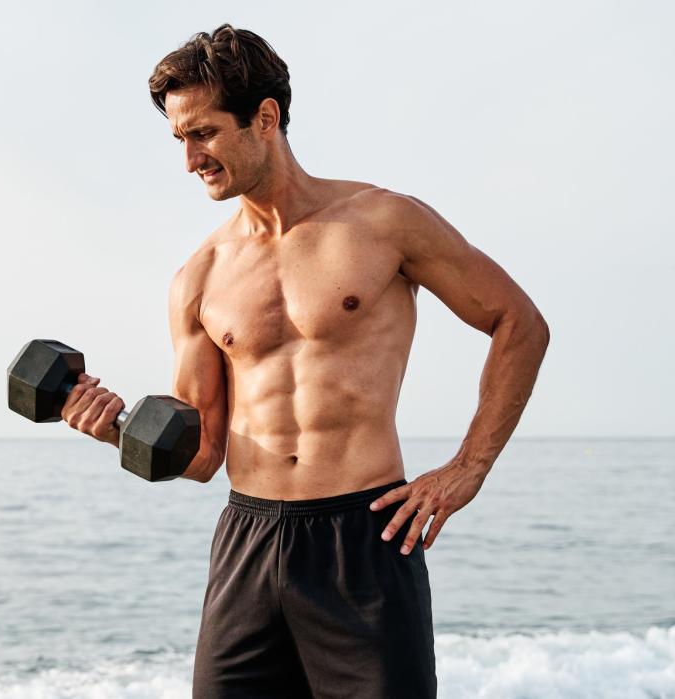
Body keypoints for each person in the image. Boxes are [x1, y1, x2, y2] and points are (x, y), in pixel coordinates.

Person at [60, 23, 549, 699]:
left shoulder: (383, 223)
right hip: (247, 546)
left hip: (365, 542)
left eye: (203, 133)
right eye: (179, 139)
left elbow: (518, 321)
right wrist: (111, 426)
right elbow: (200, 455)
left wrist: (469, 466)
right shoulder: (198, 277)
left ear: (265, 118)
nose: (190, 159)